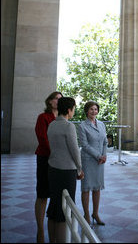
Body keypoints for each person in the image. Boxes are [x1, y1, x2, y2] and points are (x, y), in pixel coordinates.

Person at [46, 97, 84, 243]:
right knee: (65, 209)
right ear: (69, 110)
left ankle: (52, 240)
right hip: (66, 171)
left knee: (54, 207)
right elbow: (75, 151)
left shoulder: (52, 125)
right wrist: (80, 169)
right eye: (73, 109)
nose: (74, 111)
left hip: (53, 169)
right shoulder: (68, 126)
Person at [34, 91, 63, 243]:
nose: (59, 101)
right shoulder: (43, 117)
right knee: (42, 194)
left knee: (55, 195)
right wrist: (55, 152)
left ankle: (54, 230)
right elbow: (42, 138)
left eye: (61, 99)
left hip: (58, 160)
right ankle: (40, 230)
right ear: (50, 101)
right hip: (45, 158)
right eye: (56, 99)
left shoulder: (62, 118)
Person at [78, 101, 108, 226]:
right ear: (86, 111)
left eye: (95, 109)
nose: (94, 111)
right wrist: (98, 155)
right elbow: (84, 145)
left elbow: (105, 142)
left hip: (100, 161)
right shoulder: (82, 126)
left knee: (97, 188)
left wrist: (104, 155)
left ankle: (95, 213)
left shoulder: (101, 124)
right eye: (91, 109)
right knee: (86, 188)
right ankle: (86, 214)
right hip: (88, 160)